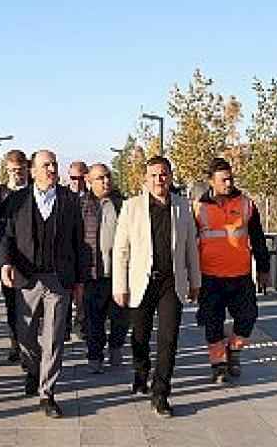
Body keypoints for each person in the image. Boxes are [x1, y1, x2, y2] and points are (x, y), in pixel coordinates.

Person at [0, 149, 87, 419]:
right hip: (27, 279)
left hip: (59, 279)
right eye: (46, 165)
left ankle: (47, 393)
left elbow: (80, 242)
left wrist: (80, 280)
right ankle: (34, 369)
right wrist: (5, 263)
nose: (51, 169)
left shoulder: (69, 200)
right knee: (24, 336)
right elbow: (6, 236)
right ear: (33, 170)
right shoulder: (17, 200)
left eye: (54, 164)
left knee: (54, 338)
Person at [113, 156, 200, 418]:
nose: (158, 179)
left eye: (163, 174)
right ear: (145, 178)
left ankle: (161, 393)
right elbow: (121, 249)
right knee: (139, 335)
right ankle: (141, 370)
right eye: (153, 175)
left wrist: (195, 281)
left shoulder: (182, 206)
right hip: (141, 282)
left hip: (171, 283)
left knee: (168, 338)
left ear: (170, 177)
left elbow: (190, 247)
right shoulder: (132, 207)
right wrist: (120, 285)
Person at [193, 157, 268, 383]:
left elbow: (258, 238)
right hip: (209, 277)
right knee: (212, 322)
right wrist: (190, 277)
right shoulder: (198, 207)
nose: (228, 183)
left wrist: (263, 269)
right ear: (211, 181)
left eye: (230, 179)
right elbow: (188, 243)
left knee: (248, 317)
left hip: (240, 276)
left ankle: (233, 350)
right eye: (223, 180)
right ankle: (218, 366)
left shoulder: (246, 204)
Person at [82, 164, 128, 373]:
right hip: (92, 273)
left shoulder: (122, 204)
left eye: (108, 176)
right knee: (94, 320)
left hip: (119, 274)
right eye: (100, 178)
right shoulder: (82, 205)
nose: (106, 181)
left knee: (120, 317)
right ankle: (95, 357)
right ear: (89, 181)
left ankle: (116, 348)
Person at [0, 149, 29, 363]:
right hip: (8, 256)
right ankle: (16, 344)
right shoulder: (0, 191)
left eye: (20, 170)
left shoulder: (34, 190)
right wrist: (8, 192)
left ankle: (29, 344)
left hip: (30, 255)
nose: (17, 174)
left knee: (30, 304)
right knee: (12, 303)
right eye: (12, 170)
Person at [65, 160, 90, 342]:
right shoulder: (62, 196)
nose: (77, 182)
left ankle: (81, 322)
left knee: (83, 291)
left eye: (81, 178)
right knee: (65, 291)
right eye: (74, 178)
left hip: (85, 251)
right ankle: (64, 326)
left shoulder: (92, 197)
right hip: (66, 251)